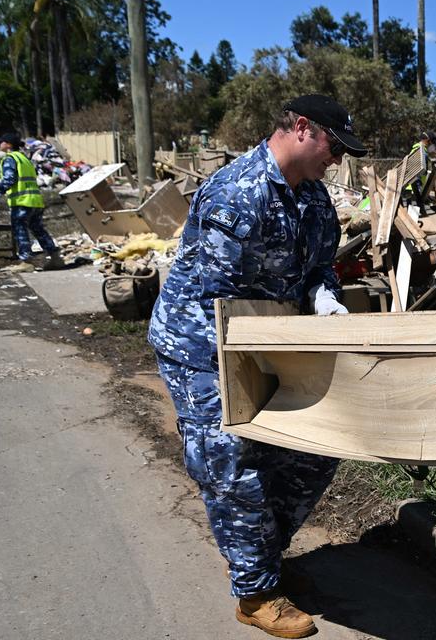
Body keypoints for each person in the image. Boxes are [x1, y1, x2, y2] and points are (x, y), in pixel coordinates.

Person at [148, 94, 367, 638]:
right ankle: (255, 592)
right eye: (333, 146)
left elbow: (320, 268)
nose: (336, 159)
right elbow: (215, 295)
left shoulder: (314, 200)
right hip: (200, 343)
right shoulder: (235, 192)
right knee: (228, 457)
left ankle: (262, 554)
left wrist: (324, 297)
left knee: (315, 451)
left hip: (271, 339)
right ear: (300, 128)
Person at [0, 133, 62, 272]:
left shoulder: (10, 159)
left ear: (8, 145)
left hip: (22, 202)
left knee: (20, 230)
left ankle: (26, 261)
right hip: (35, 201)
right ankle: (55, 257)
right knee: (38, 229)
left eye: (0, 142)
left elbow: (9, 179)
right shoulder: (24, 159)